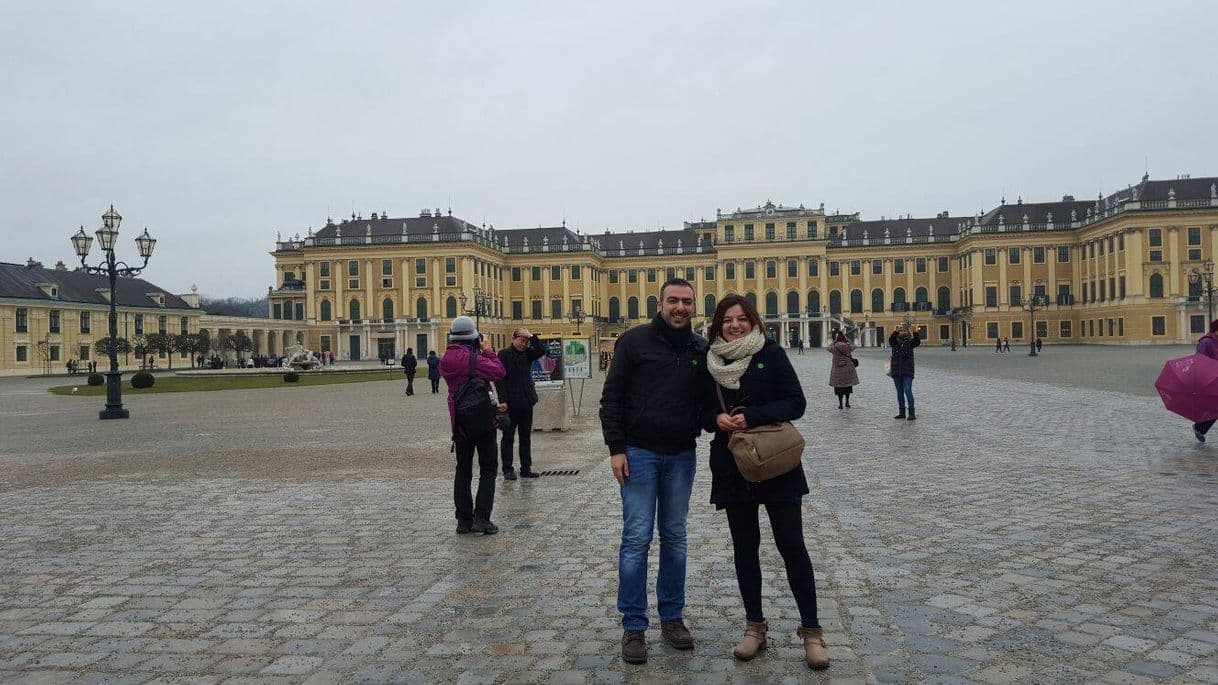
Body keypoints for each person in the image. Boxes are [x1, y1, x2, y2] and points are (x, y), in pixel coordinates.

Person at [702, 294, 828, 669]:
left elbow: (796, 403)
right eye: (727, 320)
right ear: (718, 324)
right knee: (745, 549)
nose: (734, 325)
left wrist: (751, 416)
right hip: (733, 463)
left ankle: (812, 631)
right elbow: (700, 409)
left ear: (753, 321)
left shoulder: (769, 353)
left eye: (741, 318)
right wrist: (716, 419)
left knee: (792, 546)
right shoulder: (710, 361)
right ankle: (755, 626)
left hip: (775, 462)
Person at [600, 278, 708, 664]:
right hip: (640, 453)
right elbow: (611, 398)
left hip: (681, 454)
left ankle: (672, 617)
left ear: (694, 306)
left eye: (687, 302)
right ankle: (633, 625)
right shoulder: (634, 341)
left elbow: (710, 402)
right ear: (660, 303)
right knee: (636, 538)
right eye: (674, 301)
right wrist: (616, 449)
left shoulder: (700, 348)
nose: (680, 307)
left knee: (675, 538)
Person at [440, 317, 507, 535]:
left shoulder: (445, 360)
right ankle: (482, 518)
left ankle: (463, 520)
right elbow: (499, 372)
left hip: (459, 421)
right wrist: (487, 350)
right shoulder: (473, 360)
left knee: (463, 471)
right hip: (483, 421)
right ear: (474, 338)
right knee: (488, 470)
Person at [497, 328, 547, 480]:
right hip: (510, 403)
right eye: (521, 340)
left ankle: (526, 468)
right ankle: (508, 469)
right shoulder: (504, 354)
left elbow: (541, 350)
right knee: (508, 437)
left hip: (526, 401)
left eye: (526, 342)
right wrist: (503, 400)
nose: (523, 344)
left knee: (526, 437)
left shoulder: (527, 354)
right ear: (513, 339)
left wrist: (532, 336)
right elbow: (499, 379)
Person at [889, 323, 920, 420]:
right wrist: (896, 330)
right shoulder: (895, 342)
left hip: (908, 371)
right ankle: (901, 412)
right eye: (901, 330)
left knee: (907, 390)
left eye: (904, 330)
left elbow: (917, 341)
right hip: (896, 370)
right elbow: (891, 340)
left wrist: (915, 331)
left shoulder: (910, 342)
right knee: (899, 392)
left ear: (908, 332)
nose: (903, 332)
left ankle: (911, 413)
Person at [1194, 320, 1218, 442]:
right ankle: (1199, 427)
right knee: (1215, 407)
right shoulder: (1206, 342)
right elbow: (1200, 361)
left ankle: (1200, 427)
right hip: (1210, 379)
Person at [828, 331, 859, 409]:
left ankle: (840, 404)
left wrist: (834, 341)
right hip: (847, 369)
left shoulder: (834, 347)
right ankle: (847, 402)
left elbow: (828, 348)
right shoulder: (847, 346)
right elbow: (854, 346)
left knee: (839, 388)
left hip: (837, 369)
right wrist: (848, 340)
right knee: (847, 386)